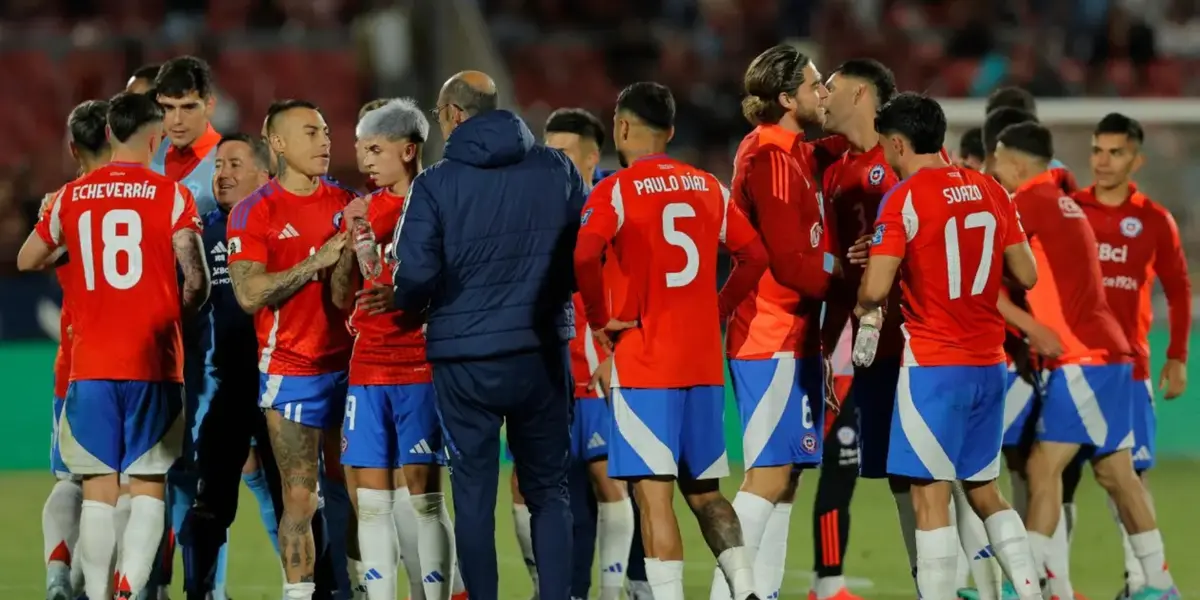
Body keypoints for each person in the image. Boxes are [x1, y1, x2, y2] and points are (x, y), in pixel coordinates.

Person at [388, 70, 581, 600]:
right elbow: (581, 253)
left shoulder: (435, 184)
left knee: (473, 496)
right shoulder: (557, 167)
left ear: (452, 113)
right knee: (548, 491)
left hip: (464, 357)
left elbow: (416, 274)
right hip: (541, 351)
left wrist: (405, 303)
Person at [576, 81, 770, 600]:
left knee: (653, 500)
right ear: (672, 131)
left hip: (645, 365)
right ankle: (747, 589)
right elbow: (755, 256)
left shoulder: (615, 189)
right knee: (707, 493)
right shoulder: (709, 186)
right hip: (702, 366)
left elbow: (582, 256)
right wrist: (720, 309)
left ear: (620, 126)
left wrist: (600, 319)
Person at [17, 90, 211, 600]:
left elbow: (26, 258)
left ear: (108, 134)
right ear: (156, 137)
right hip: (154, 360)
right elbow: (197, 280)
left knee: (97, 490)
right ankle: (132, 590)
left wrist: (72, 253)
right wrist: (173, 316)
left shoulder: (69, 198)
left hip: (90, 363)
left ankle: (97, 593)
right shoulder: (171, 195)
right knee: (148, 485)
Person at [856, 92, 1041, 600]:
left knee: (929, 496)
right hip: (988, 363)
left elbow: (874, 289)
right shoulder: (990, 189)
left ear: (898, 143)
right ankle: (1030, 591)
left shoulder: (906, 198)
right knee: (984, 490)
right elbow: (1027, 272)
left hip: (933, 368)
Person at [990, 121, 1179, 600]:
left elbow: (981, 280)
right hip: (1110, 352)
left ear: (1013, 162)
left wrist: (1031, 328)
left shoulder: (1027, 203)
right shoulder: (1067, 201)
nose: (993, 169)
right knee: (1116, 472)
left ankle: (1025, 586)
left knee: (1042, 466)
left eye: (996, 160)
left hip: (1082, 355)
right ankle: (1160, 584)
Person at [715, 44, 842, 600]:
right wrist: (855, 288)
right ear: (787, 97)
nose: (823, 94)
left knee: (786, 480)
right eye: (816, 85)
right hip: (769, 335)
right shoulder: (767, 158)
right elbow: (792, 264)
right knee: (765, 478)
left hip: (796, 338)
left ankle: (762, 594)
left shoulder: (795, 153)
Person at [227, 99, 359, 600]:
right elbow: (247, 293)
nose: (324, 141)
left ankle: (359, 590)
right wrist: (314, 261)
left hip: (349, 368)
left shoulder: (345, 201)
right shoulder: (254, 210)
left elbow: (344, 294)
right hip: (291, 370)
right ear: (278, 144)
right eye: (310, 132)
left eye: (326, 132)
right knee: (300, 500)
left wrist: (345, 256)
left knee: (358, 495)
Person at [505, 107, 638, 600]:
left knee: (611, 482)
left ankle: (611, 589)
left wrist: (621, 350)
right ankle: (547, 589)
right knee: (523, 485)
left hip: (599, 371)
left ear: (589, 158)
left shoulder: (614, 203)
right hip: (544, 372)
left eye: (560, 154)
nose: (549, 163)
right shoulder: (529, 205)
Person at [339, 98, 467, 600]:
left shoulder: (440, 203)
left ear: (408, 150)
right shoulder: (365, 208)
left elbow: (439, 280)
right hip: (368, 366)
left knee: (427, 500)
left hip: (419, 365)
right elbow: (362, 284)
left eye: (374, 149)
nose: (365, 160)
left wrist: (363, 232)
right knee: (371, 504)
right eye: (360, 150)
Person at [1073, 114, 1190, 600]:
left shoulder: (1153, 220)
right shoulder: (1069, 210)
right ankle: (1051, 580)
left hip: (1128, 371)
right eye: (1098, 150)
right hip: (1069, 368)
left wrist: (1177, 356)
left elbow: (1179, 290)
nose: (1103, 161)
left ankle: (1140, 582)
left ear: (1136, 159)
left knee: (1131, 479)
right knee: (1049, 477)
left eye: (1115, 152)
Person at [817, 58, 908, 600]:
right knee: (840, 459)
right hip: (850, 340)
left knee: (926, 474)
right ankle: (829, 581)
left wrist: (884, 244)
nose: (822, 97)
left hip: (912, 339)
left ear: (861, 95)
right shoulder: (834, 171)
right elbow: (831, 262)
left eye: (830, 87)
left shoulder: (900, 160)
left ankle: (971, 578)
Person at [178, 133, 281, 600]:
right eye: (219, 165)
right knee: (208, 506)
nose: (222, 173)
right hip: (230, 384)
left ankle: (318, 589)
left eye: (235, 164)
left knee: (295, 502)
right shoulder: (202, 230)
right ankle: (199, 592)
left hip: (283, 384)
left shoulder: (284, 222)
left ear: (265, 174)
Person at [25, 98, 112, 600]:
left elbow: (28, 256)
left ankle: (60, 574)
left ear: (72, 146)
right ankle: (91, 585)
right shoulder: (149, 194)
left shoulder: (61, 201)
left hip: (77, 364)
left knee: (73, 481)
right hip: (140, 363)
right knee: (129, 490)